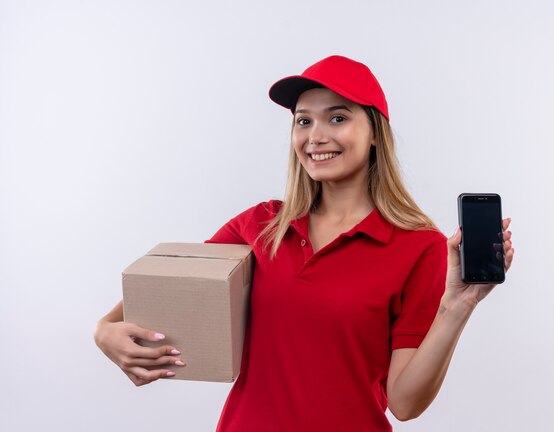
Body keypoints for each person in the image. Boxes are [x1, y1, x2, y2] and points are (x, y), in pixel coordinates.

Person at [94, 55, 515, 431]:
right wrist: (103, 332)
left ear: (374, 133)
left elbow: (404, 405)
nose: (315, 135)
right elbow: (165, 294)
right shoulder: (259, 225)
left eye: (337, 118)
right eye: (303, 120)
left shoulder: (419, 247)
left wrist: (457, 306)